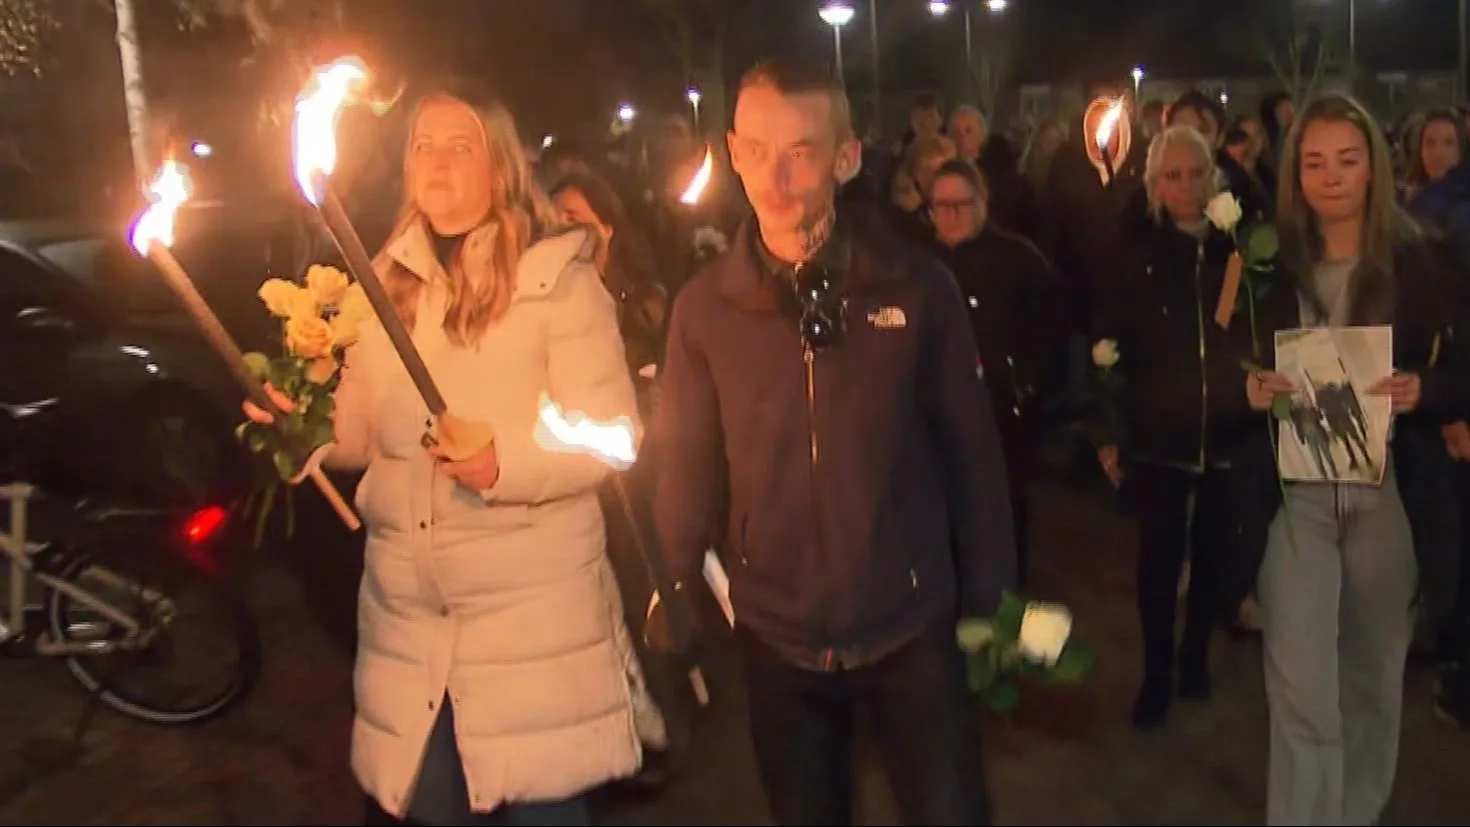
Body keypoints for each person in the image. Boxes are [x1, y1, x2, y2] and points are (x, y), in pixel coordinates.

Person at [247, 85, 659, 827]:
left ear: (500, 166)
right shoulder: (381, 285)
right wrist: (303, 423)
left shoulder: (557, 284)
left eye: (459, 145)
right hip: (412, 629)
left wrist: (503, 464)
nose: (436, 161)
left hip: (533, 634)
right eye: (422, 146)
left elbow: (612, 437)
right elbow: (361, 435)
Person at [652, 57, 1015, 826]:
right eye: (757, 151)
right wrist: (670, 585)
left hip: (910, 624)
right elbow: (685, 464)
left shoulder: (916, 288)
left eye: (801, 152)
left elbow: (973, 456)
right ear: (732, 151)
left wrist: (991, 600)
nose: (775, 178)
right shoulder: (704, 310)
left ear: (847, 157)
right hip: (777, 639)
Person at [1242, 93, 1466, 826]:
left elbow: (1460, 366)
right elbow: (1229, 354)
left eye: (1347, 159)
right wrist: (1251, 385)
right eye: (1314, 162)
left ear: (1373, 164)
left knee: (1372, 680)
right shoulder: (1267, 262)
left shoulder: (1420, 257)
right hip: (1296, 496)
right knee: (1301, 689)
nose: (1331, 177)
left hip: (1387, 492)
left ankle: (1355, 812)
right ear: (1294, 173)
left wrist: (1425, 390)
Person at [1093, 125, 1265, 730]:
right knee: (1159, 558)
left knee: (1215, 552)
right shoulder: (1137, 254)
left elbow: (1256, 328)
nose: (1186, 187)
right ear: (1154, 184)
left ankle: (1195, 655)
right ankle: (1157, 672)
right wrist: (1110, 428)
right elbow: (1110, 345)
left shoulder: (1237, 251)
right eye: (1173, 176)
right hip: (1159, 432)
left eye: (1197, 174)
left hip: (1226, 426)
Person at [926, 158, 1063, 588]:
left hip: (1002, 420)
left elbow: (1050, 333)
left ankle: (1003, 608)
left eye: (961, 204)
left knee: (1001, 525)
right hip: (935, 424)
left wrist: (1025, 388)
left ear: (982, 203)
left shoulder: (1018, 261)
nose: (951, 215)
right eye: (941, 206)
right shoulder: (918, 264)